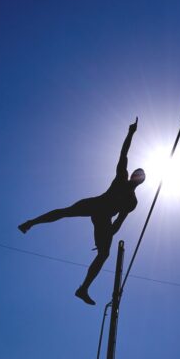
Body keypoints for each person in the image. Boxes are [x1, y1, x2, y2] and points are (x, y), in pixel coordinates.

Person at [18, 119, 145, 305]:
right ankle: (30, 223)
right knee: (66, 212)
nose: (136, 176)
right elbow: (123, 153)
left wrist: (106, 237)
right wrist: (131, 133)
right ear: (132, 175)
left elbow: (119, 223)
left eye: (140, 176)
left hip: (104, 220)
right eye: (136, 173)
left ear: (141, 182)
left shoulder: (132, 202)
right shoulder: (121, 178)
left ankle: (83, 288)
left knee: (104, 254)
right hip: (96, 204)